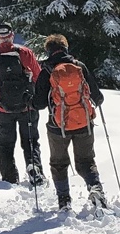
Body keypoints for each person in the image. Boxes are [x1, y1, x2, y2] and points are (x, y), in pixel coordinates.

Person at [32, 34, 107, 210]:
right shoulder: (79, 66)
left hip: (58, 127)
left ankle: (64, 200)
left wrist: (29, 100)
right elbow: (98, 97)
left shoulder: (47, 71)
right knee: (86, 161)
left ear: (48, 51)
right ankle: (95, 188)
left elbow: (39, 104)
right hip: (84, 123)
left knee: (58, 164)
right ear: (66, 48)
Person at [0, 24, 45, 186]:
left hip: (4, 109)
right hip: (28, 107)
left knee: (5, 146)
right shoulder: (25, 53)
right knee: (31, 141)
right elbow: (39, 78)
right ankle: (34, 169)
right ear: (12, 36)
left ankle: (9, 180)